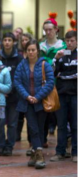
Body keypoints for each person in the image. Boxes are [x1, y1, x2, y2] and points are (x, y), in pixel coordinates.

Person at [14, 40, 54, 169]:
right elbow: (17, 81)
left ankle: (34, 154)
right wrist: (27, 96)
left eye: (33, 49)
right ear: (26, 52)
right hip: (27, 102)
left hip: (41, 101)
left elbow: (50, 82)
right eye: (28, 50)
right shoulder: (22, 65)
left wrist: (37, 97)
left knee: (40, 128)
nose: (31, 52)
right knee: (33, 127)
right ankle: (39, 155)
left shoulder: (44, 64)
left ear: (37, 50)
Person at [50, 30, 77, 163]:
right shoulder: (62, 54)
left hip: (75, 95)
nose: (70, 43)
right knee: (60, 125)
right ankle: (60, 152)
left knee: (75, 125)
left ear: (76, 41)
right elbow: (53, 73)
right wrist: (55, 58)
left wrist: (63, 76)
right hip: (61, 94)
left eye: (72, 41)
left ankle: (75, 152)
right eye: (68, 41)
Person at [40, 17, 67, 147]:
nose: (48, 32)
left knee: (61, 114)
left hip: (60, 83)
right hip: (45, 83)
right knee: (44, 112)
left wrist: (52, 59)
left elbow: (69, 56)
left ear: (56, 30)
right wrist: (53, 59)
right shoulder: (40, 46)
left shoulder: (64, 46)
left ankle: (64, 141)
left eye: (50, 29)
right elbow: (39, 62)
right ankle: (42, 139)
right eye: (45, 30)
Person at [0, 32, 23, 156]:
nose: (7, 42)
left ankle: (9, 146)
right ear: (2, 42)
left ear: (13, 42)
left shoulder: (19, 58)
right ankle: (0, 145)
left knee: (12, 123)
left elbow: (20, 77)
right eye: (5, 40)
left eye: (9, 40)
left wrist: (10, 90)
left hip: (14, 96)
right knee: (0, 122)